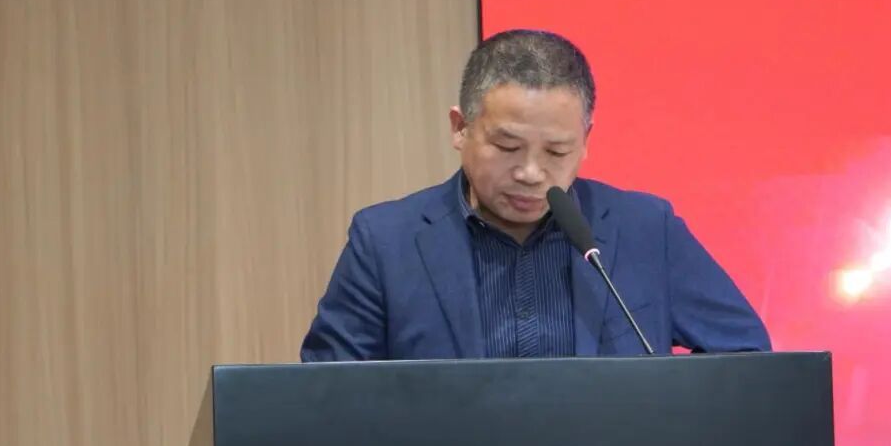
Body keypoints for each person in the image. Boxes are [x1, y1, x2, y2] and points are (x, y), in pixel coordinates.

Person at [301, 29, 769, 361]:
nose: (530, 173)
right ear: (460, 128)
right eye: (507, 147)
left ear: (586, 140)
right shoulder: (386, 242)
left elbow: (745, 358)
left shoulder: (646, 229)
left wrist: (661, 421)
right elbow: (330, 393)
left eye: (557, 151)